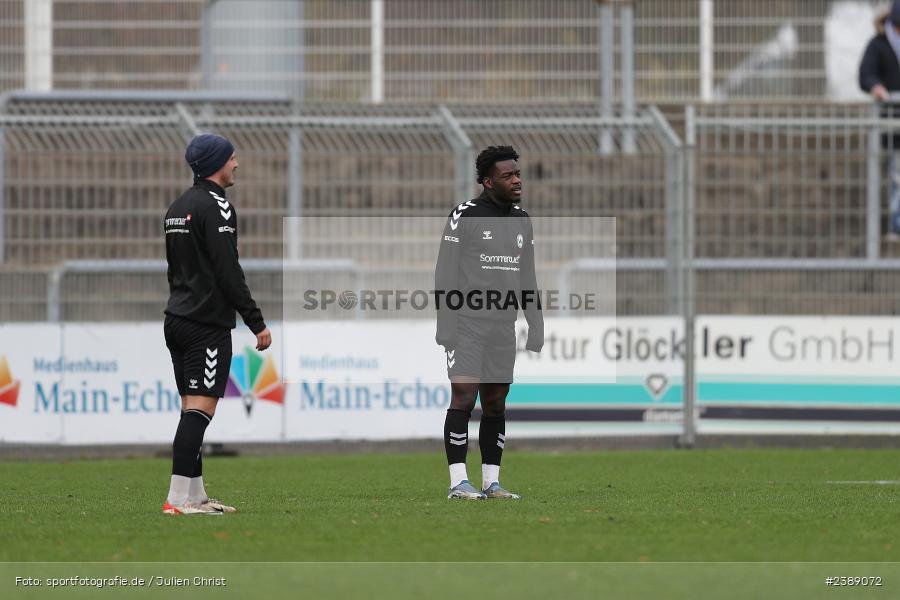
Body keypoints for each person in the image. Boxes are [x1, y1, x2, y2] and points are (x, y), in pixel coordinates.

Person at [162, 133, 272, 515]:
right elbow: (229, 271)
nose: (237, 164)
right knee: (200, 412)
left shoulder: (177, 207)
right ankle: (177, 500)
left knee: (190, 408)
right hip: (205, 323)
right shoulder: (217, 207)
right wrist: (255, 321)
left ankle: (195, 496)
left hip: (176, 319)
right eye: (232, 158)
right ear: (217, 164)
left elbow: (175, 270)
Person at [434, 145, 543, 500]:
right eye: (508, 175)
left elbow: (527, 275)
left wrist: (535, 323)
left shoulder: (521, 219)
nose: (517, 181)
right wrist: (445, 325)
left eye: (518, 174)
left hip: (502, 326)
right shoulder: (464, 215)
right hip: (467, 323)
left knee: (496, 402)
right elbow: (445, 272)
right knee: (464, 396)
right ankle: (457, 483)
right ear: (487, 181)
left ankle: (491, 482)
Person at [860, 0, 900, 235]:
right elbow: (866, 75)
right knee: (897, 172)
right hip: (893, 126)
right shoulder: (878, 45)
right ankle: (897, 224)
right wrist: (876, 87)